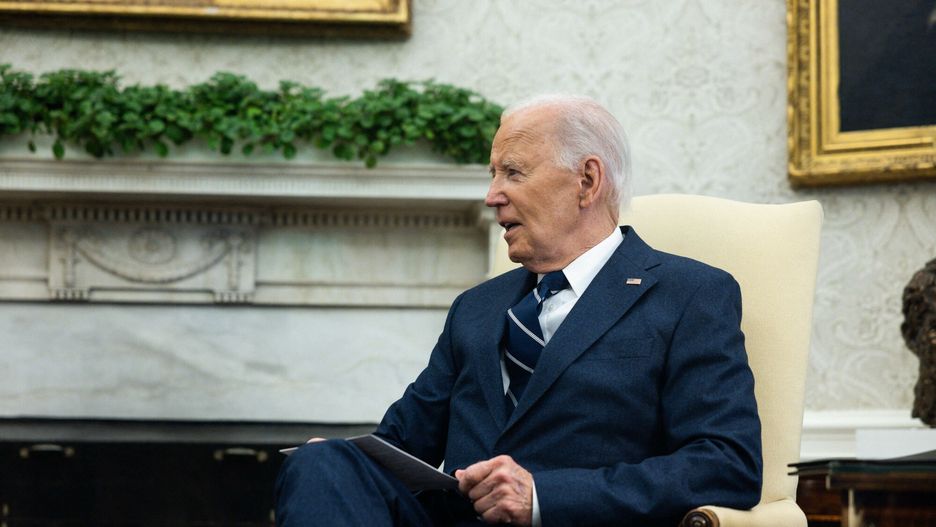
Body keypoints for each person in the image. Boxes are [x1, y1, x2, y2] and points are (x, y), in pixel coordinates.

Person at [275, 95, 762, 526]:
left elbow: (726, 463)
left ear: (587, 181)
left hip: (573, 520)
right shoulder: (476, 307)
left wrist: (544, 498)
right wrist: (341, 462)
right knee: (325, 464)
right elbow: (403, 444)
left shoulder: (690, 294)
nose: (491, 196)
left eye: (513, 172)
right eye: (493, 175)